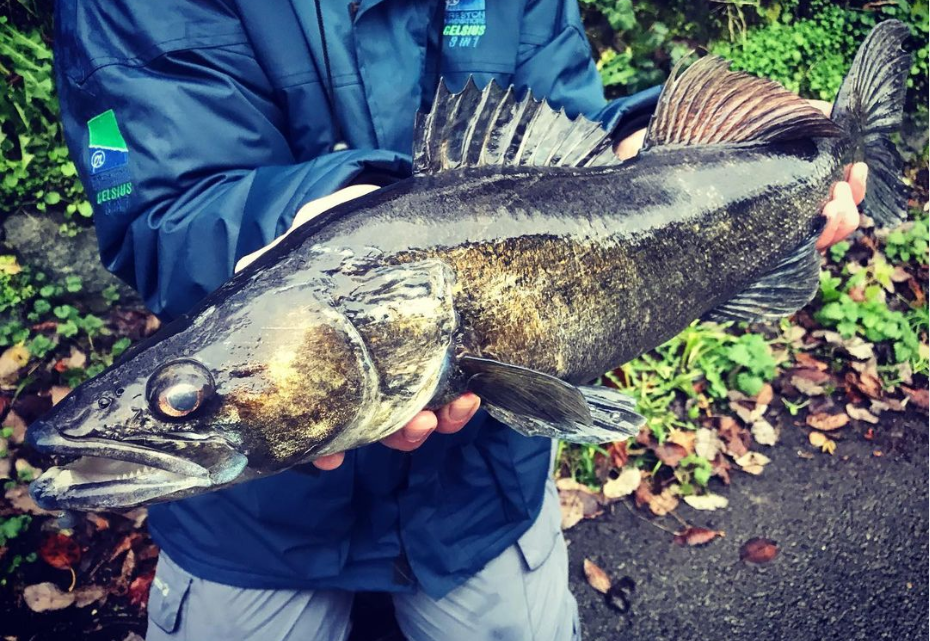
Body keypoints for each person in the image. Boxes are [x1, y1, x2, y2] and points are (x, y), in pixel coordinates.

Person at [54, 1, 866, 639]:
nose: (183, 401)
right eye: (182, 399)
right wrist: (326, 217)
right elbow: (150, 212)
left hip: (480, 496)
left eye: (183, 398)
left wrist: (649, 142)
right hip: (255, 522)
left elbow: (573, 140)